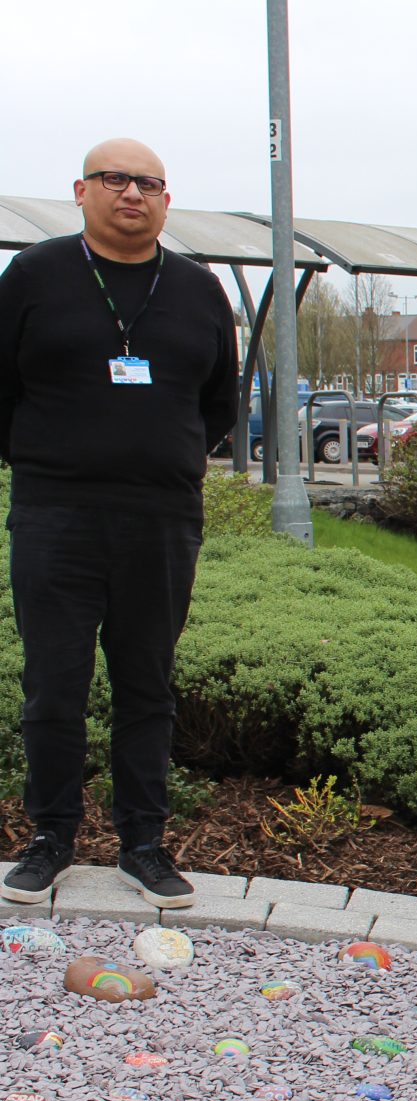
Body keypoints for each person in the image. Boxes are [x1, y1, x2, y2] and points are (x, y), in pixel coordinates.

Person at [0, 139, 237, 909]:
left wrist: (153, 460)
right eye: (115, 179)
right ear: (81, 190)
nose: (132, 193)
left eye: (149, 183)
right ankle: (50, 838)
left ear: (166, 199)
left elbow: (218, 408)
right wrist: (57, 459)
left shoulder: (201, 291)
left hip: (161, 521)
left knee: (147, 686)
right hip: (55, 516)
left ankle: (144, 844)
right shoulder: (34, 276)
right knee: (54, 685)